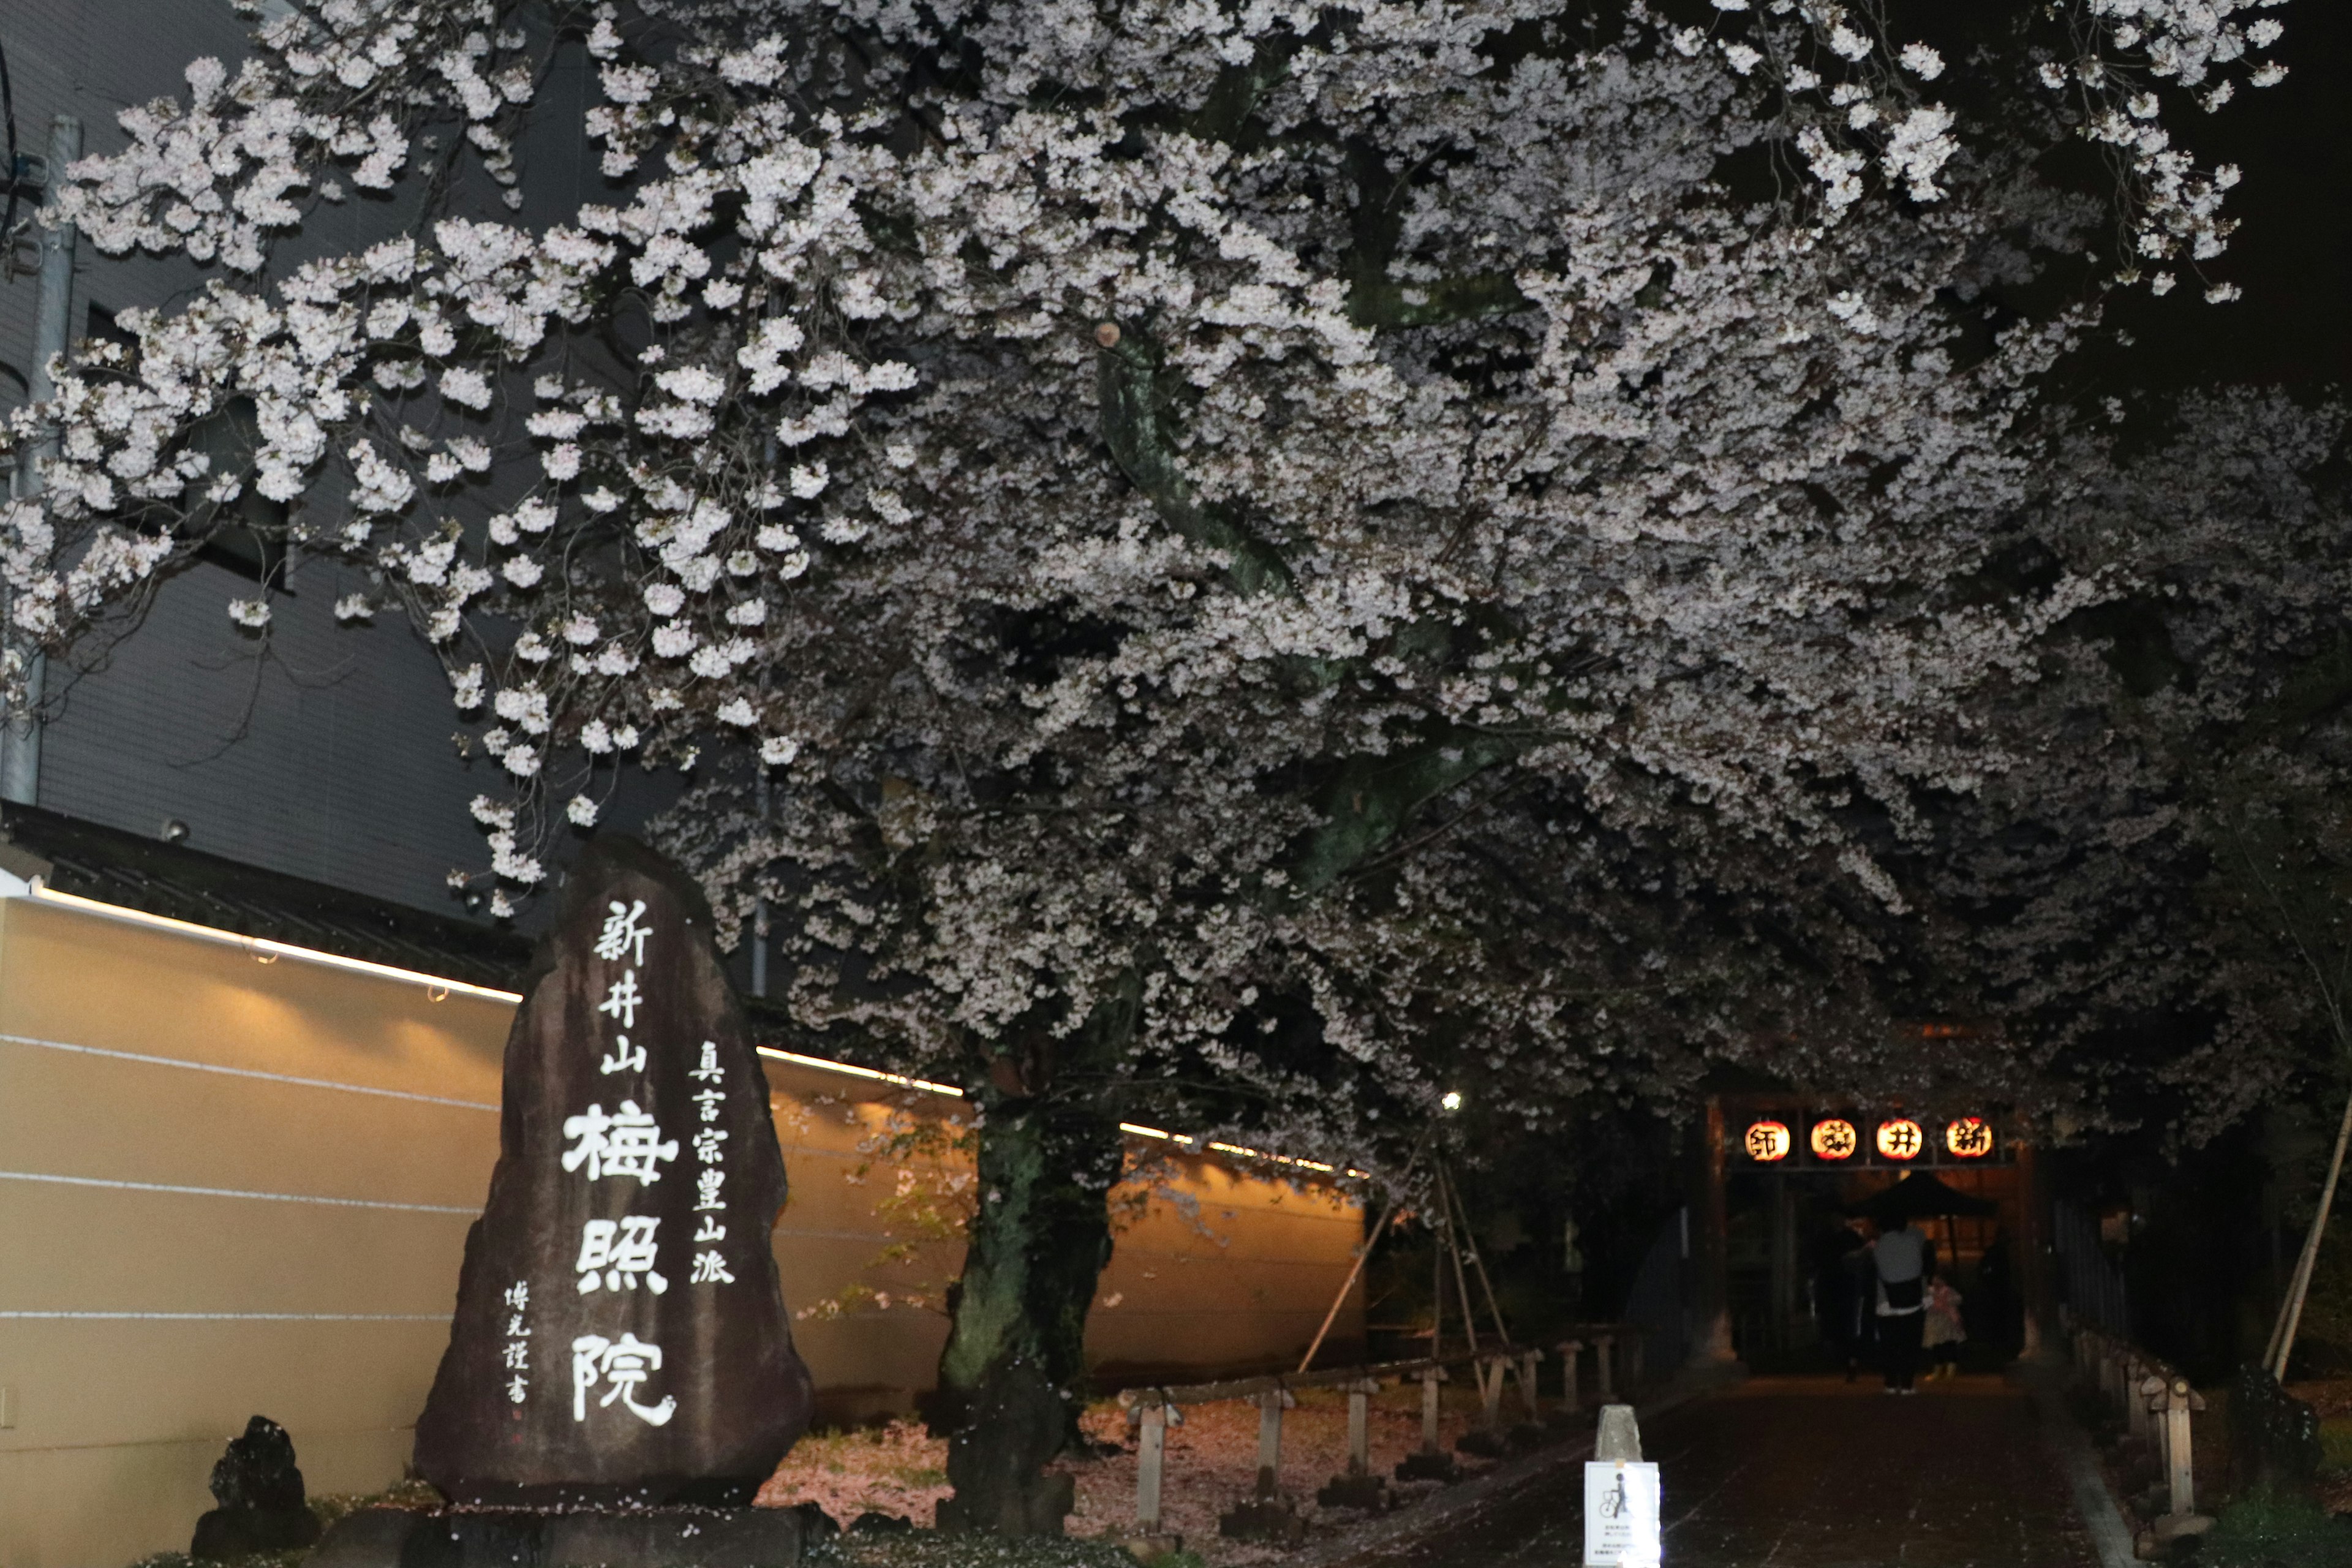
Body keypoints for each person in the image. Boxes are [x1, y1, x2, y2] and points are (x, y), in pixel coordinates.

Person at [1871, 1212, 1932, 1394]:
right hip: (1912, 1302)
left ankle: (1890, 1383)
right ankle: (1907, 1384)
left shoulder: (1878, 1247)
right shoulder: (1913, 1242)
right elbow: (1922, 1239)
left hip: (1886, 1304)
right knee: (1910, 1346)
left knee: (1889, 1347)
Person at [1922, 1272, 1966, 1381]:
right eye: (1934, 1279)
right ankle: (1938, 1371)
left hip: (1948, 1322)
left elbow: (1958, 1300)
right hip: (1934, 1322)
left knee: (1950, 1345)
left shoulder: (1949, 1291)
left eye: (1939, 1279)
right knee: (1937, 1346)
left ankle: (1951, 1371)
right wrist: (1933, 1303)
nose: (1936, 1282)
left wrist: (1946, 1302)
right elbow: (1925, 1304)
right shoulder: (1929, 1292)